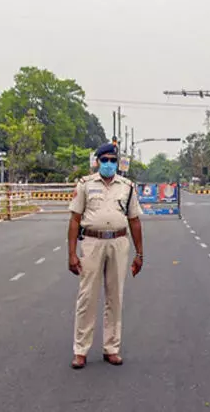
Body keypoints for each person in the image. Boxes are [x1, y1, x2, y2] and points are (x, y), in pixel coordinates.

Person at [67, 142, 144, 369]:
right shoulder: (85, 184)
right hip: (92, 242)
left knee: (115, 297)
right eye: (105, 160)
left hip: (119, 242)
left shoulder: (127, 186)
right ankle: (80, 350)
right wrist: (72, 253)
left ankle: (112, 348)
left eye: (113, 160)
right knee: (87, 297)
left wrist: (140, 253)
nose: (109, 164)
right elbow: (74, 219)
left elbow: (134, 220)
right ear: (97, 161)